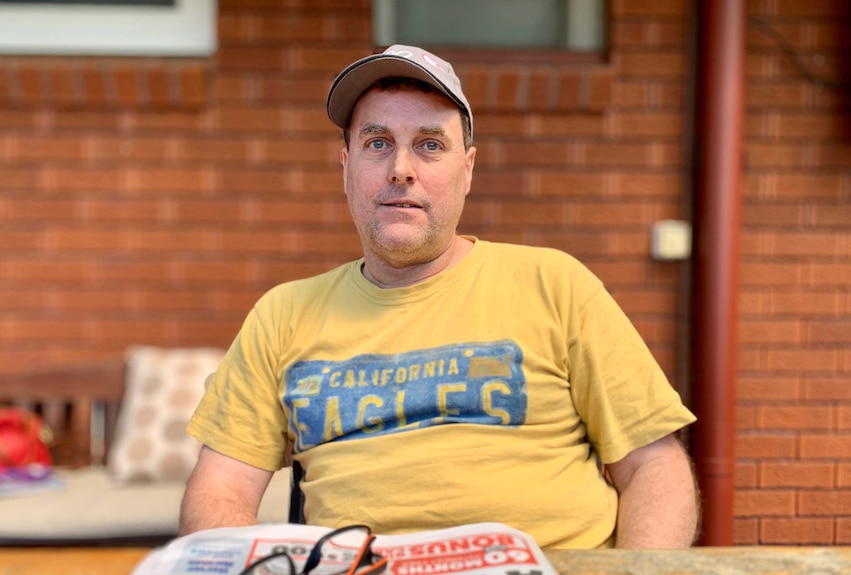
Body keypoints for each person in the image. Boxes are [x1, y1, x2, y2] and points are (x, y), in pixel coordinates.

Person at [179, 44, 700, 549]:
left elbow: (654, 466)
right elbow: (217, 491)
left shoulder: (556, 285)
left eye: (430, 144)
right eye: (377, 142)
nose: (401, 168)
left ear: (467, 169)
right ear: (346, 167)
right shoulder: (282, 316)